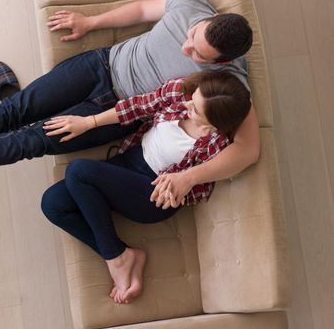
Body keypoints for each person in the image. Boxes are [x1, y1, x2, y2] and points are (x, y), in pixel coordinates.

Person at [0, 0, 258, 208]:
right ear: (207, 19)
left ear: (220, 62)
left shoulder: (229, 83)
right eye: (193, 34)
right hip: (100, 65)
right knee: (15, 111)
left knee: (26, 141)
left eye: (196, 54)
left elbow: (247, 150)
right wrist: (91, 22)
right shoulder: (192, 4)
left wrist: (191, 178)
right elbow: (145, 9)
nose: (186, 44)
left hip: (116, 112)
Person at [40, 70, 252, 305]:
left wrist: (183, 182)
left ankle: (114, 260)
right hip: (128, 161)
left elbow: (207, 179)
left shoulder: (218, 145)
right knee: (53, 204)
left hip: (152, 194)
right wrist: (89, 122)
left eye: (196, 109)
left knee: (78, 171)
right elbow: (138, 106)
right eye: (194, 97)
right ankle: (123, 253)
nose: (188, 104)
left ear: (215, 124)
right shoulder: (181, 91)